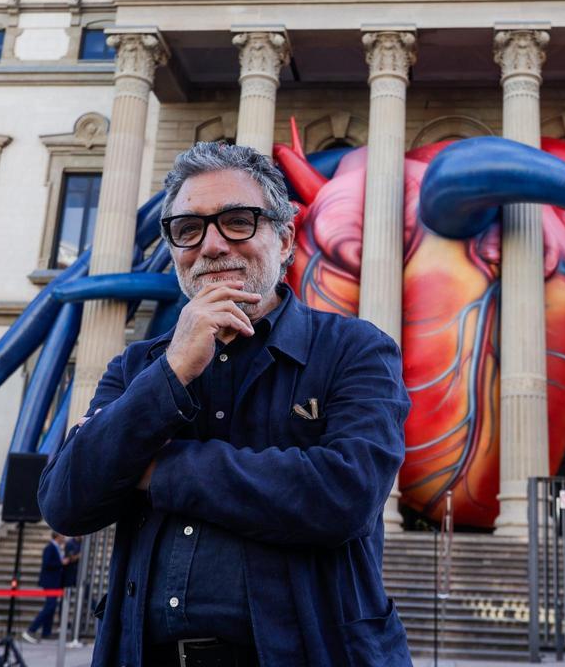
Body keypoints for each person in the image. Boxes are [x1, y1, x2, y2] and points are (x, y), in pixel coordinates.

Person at [39, 142, 411, 666]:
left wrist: (155, 468)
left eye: (238, 221)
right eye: (188, 229)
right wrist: (172, 373)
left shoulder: (356, 350)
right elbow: (64, 501)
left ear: (285, 240)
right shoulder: (135, 367)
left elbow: (343, 496)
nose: (211, 245)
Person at [22, 532, 65, 644]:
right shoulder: (50, 548)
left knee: (51, 606)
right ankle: (31, 630)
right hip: (50, 582)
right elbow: (47, 564)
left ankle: (46, 632)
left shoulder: (57, 548)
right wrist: (61, 563)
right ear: (57, 536)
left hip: (55, 582)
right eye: (62, 536)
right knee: (50, 606)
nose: (64, 538)